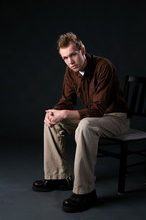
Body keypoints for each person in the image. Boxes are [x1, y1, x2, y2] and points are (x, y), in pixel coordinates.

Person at [32, 32, 129, 213]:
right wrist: (53, 112)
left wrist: (65, 113)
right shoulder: (71, 72)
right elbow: (66, 101)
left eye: (73, 54)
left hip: (116, 118)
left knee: (85, 125)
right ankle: (58, 177)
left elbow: (98, 109)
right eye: (65, 58)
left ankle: (86, 192)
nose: (70, 61)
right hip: (94, 119)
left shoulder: (103, 66)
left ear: (82, 50)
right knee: (53, 123)